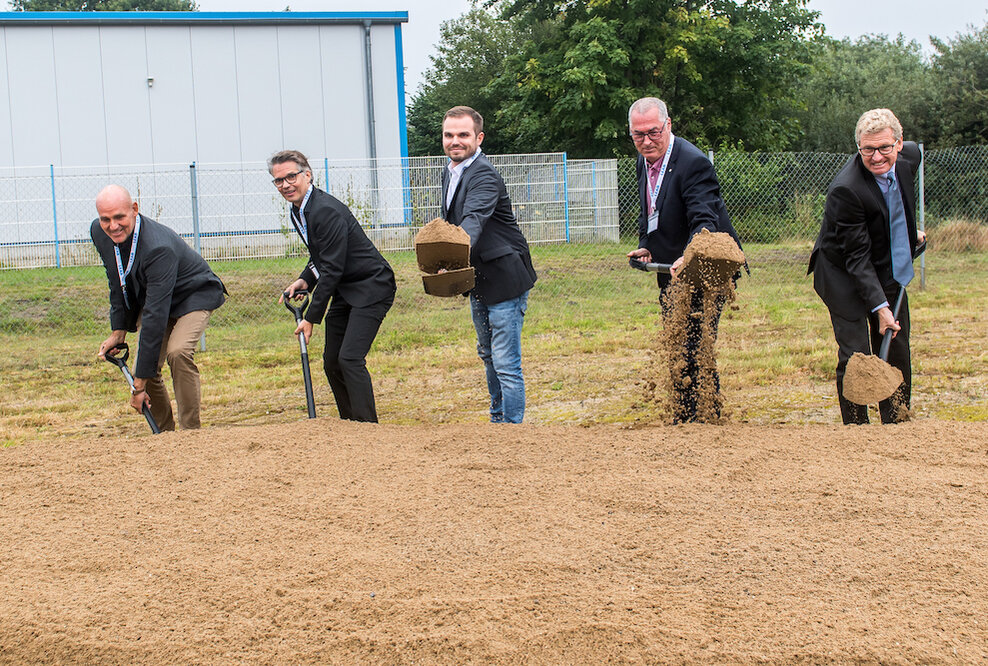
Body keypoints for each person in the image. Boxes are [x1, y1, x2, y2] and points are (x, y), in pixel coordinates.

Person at [624, 97, 743, 423]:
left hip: (706, 265)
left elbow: (704, 219)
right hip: (671, 267)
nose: (646, 141)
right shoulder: (644, 160)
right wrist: (647, 244)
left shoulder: (693, 162)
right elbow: (651, 209)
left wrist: (688, 256)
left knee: (694, 343)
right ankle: (687, 415)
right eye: (638, 135)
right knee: (679, 343)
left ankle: (702, 418)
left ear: (668, 125)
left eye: (653, 132)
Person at [808, 108, 925, 425]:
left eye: (884, 147)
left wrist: (908, 231)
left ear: (899, 144)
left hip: (887, 261)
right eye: (867, 149)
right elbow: (856, 258)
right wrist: (879, 307)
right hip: (841, 271)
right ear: (858, 146)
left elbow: (895, 204)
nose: (876, 157)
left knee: (896, 341)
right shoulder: (846, 189)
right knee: (857, 352)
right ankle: (857, 427)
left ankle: (897, 417)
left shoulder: (909, 159)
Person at [270, 150, 396, 423]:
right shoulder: (299, 210)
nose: (286, 185)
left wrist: (311, 318)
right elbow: (323, 257)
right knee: (332, 362)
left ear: (307, 174)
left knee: (350, 359)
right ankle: (349, 424)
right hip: (346, 288)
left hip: (371, 286)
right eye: (279, 180)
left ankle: (367, 429)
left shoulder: (324, 210)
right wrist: (305, 279)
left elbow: (333, 268)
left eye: (291, 176)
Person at [92, 185, 226, 430]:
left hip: (192, 295)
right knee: (145, 365)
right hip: (156, 295)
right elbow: (116, 279)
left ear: (134, 210)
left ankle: (190, 433)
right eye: (106, 219)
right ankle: (165, 434)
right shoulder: (101, 234)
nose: (113, 226)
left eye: (120, 217)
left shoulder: (157, 247)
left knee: (178, 352)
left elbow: (154, 317)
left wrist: (138, 386)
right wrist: (118, 330)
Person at [440, 106, 537, 424]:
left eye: (463, 135)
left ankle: (510, 429)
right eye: (449, 135)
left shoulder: (482, 173)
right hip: (478, 279)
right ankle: (497, 421)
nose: (455, 141)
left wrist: (448, 259)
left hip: (505, 277)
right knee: (488, 355)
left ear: (478, 137)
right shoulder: (452, 170)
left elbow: (472, 222)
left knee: (506, 361)